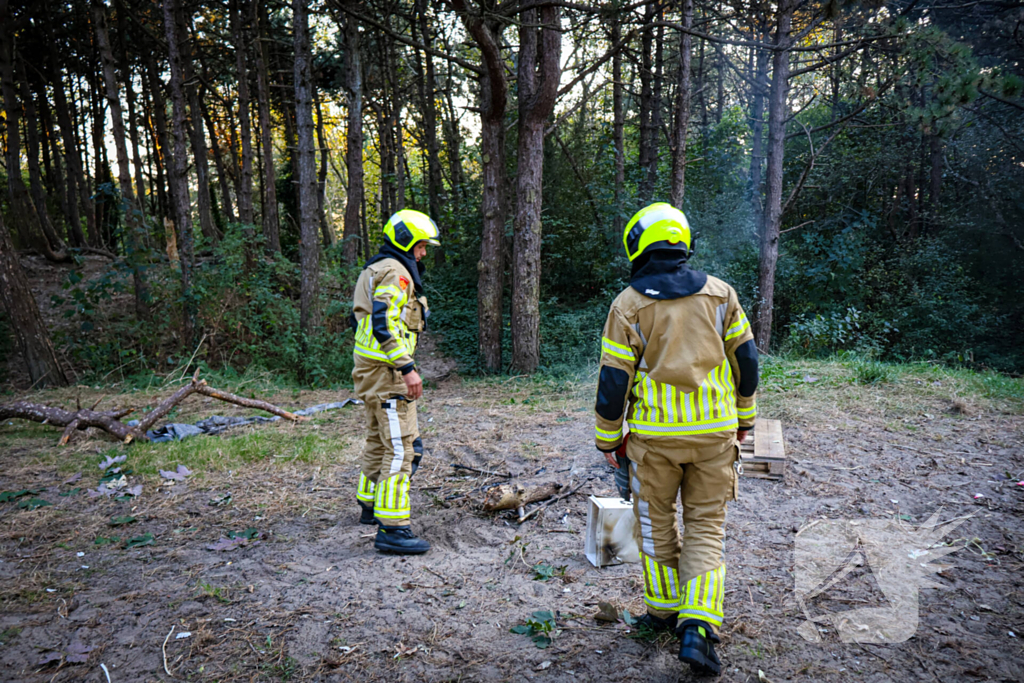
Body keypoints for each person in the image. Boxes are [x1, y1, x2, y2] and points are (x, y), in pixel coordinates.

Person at [594, 202, 759, 675]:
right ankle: (698, 628)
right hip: (714, 434)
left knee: (655, 522)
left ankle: (664, 611)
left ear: (639, 245)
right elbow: (746, 362)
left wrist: (609, 441)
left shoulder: (628, 304)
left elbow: (612, 383)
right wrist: (745, 418)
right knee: (707, 525)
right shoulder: (722, 295)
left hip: (654, 441)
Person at [350, 209, 439, 555]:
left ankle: (369, 504)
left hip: (371, 370)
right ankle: (393, 529)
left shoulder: (376, 267)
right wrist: (407, 367)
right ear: (406, 242)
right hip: (387, 374)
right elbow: (383, 321)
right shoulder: (396, 273)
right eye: (420, 246)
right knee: (402, 447)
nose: (423, 253)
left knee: (378, 440)